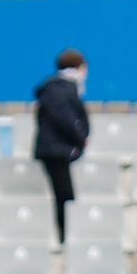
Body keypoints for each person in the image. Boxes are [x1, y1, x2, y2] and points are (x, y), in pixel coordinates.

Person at [34, 48, 89, 243]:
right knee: (65, 197)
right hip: (55, 151)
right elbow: (65, 118)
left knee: (65, 196)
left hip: (57, 150)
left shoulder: (59, 88)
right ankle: (65, 238)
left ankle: (67, 236)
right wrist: (81, 137)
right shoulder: (60, 89)